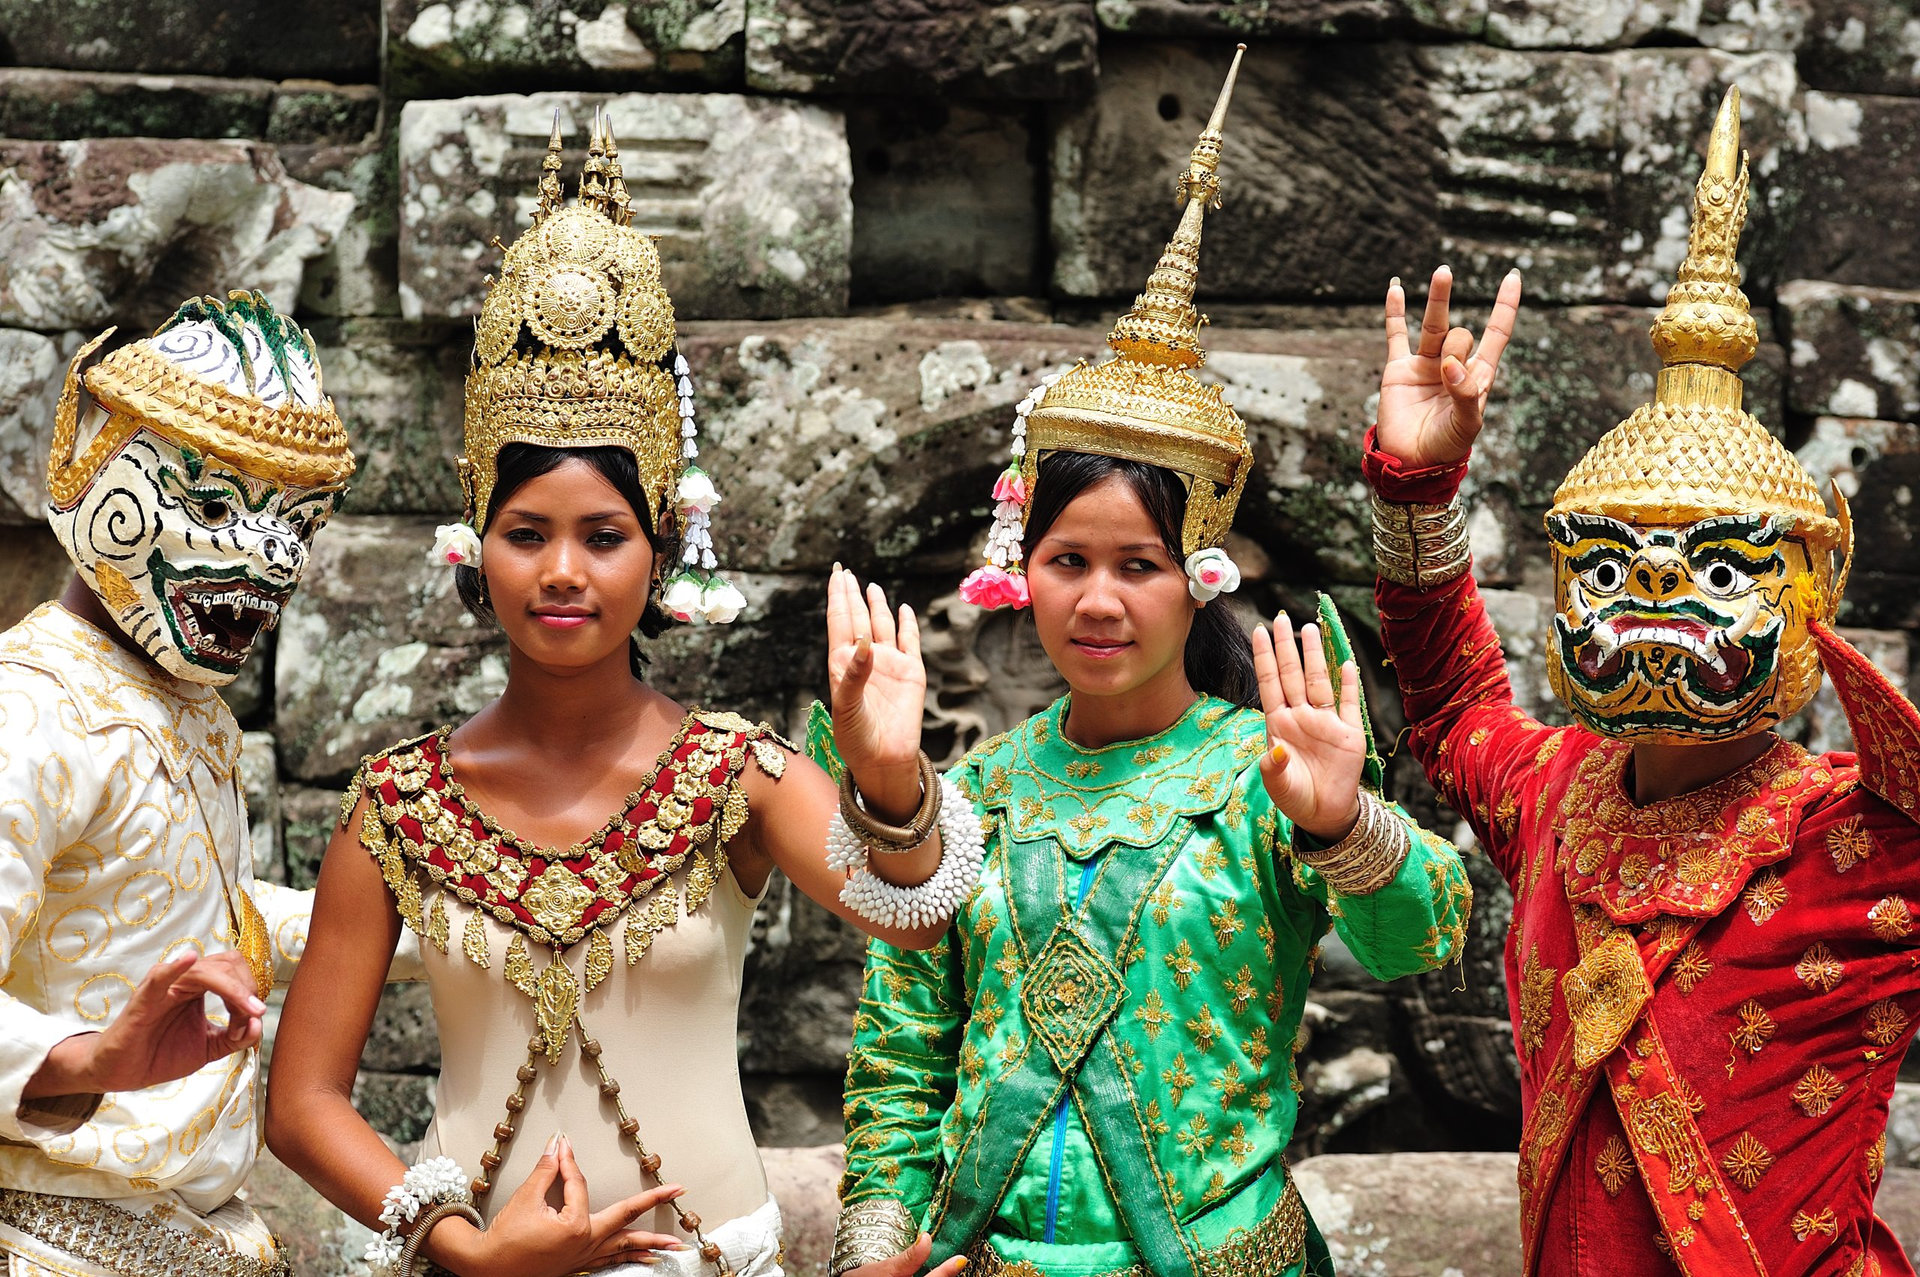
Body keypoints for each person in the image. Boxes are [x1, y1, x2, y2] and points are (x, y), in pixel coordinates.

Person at [264, 112, 983, 1277]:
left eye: (603, 535)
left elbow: (920, 913)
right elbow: (300, 1103)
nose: (561, 571)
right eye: (525, 532)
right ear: (474, 546)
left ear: (660, 549)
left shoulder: (734, 775)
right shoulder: (396, 803)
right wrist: (466, 1247)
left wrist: (888, 777)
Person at [826, 48, 1473, 1277]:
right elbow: (901, 1050)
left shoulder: (1264, 770)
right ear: (1023, 571)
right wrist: (872, 1249)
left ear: (1202, 575)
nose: (1101, 600)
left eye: (1141, 564)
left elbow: (1426, 934)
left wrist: (1344, 828)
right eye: (1071, 561)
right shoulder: (980, 794)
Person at [1367, 85, 1920, 1275]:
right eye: (1611, 564)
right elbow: (1458, 708)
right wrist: (1416, 491)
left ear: (1811, 590)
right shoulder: (1557, 790)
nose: (1653, 601)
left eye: (1719, 566)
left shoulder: (1870, 831)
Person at [0, 290, 367, 1277]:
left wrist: (437, 918)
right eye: (212, 506)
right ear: (97, 473)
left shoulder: (185, 705)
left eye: (295, 521)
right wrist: (90, 1058)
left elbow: (195, 917)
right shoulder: (28, 710)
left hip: (199, 1234)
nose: (271, 558)